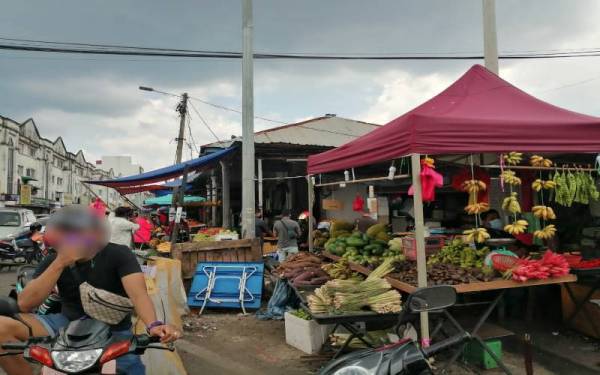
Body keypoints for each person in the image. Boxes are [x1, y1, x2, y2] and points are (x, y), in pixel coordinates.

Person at [0, 206, 180, 375]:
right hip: (64, 323)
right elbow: (25, 304)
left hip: (114, 331)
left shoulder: (119, 254)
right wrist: (60, 263)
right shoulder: (53, 260)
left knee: (131, 369)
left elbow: (139, 295)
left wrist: (154, 325)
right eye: (68, 232)